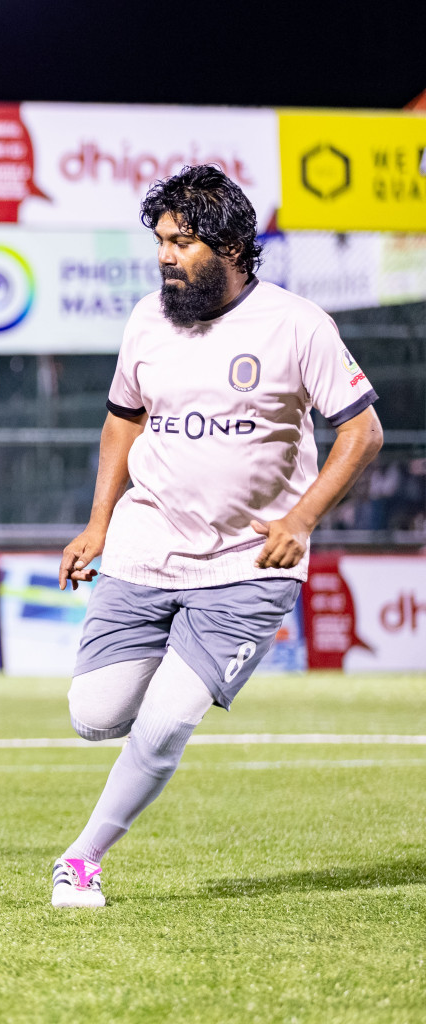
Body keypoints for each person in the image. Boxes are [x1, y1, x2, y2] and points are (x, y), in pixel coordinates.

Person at [51, 164, 384, 908]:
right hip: (146, 546)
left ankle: (82, 859)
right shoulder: (146, 319)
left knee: (167, 720)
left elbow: (362, 432)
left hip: (250, 563)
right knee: (94, 714)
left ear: (233, 245)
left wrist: (301, 521)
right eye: (163, 242)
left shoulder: (298, 326)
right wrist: (99, 523)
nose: (167, 256)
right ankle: (162, 678)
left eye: (184, 242)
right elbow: (122, 420)